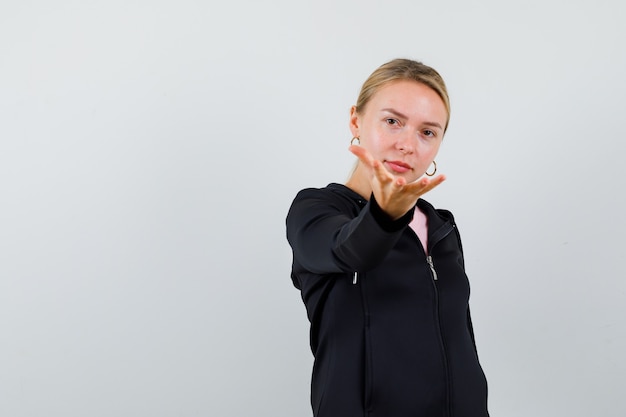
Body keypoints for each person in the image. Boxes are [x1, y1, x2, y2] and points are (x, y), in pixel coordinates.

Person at [286, 58, 489, 417]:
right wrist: (384, 215)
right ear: (356, 121)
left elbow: (462, 346)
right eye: (393, 121)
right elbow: (347, 250)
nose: (407, 145)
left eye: (427, 132)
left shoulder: (441, 227)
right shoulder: (315, 210)